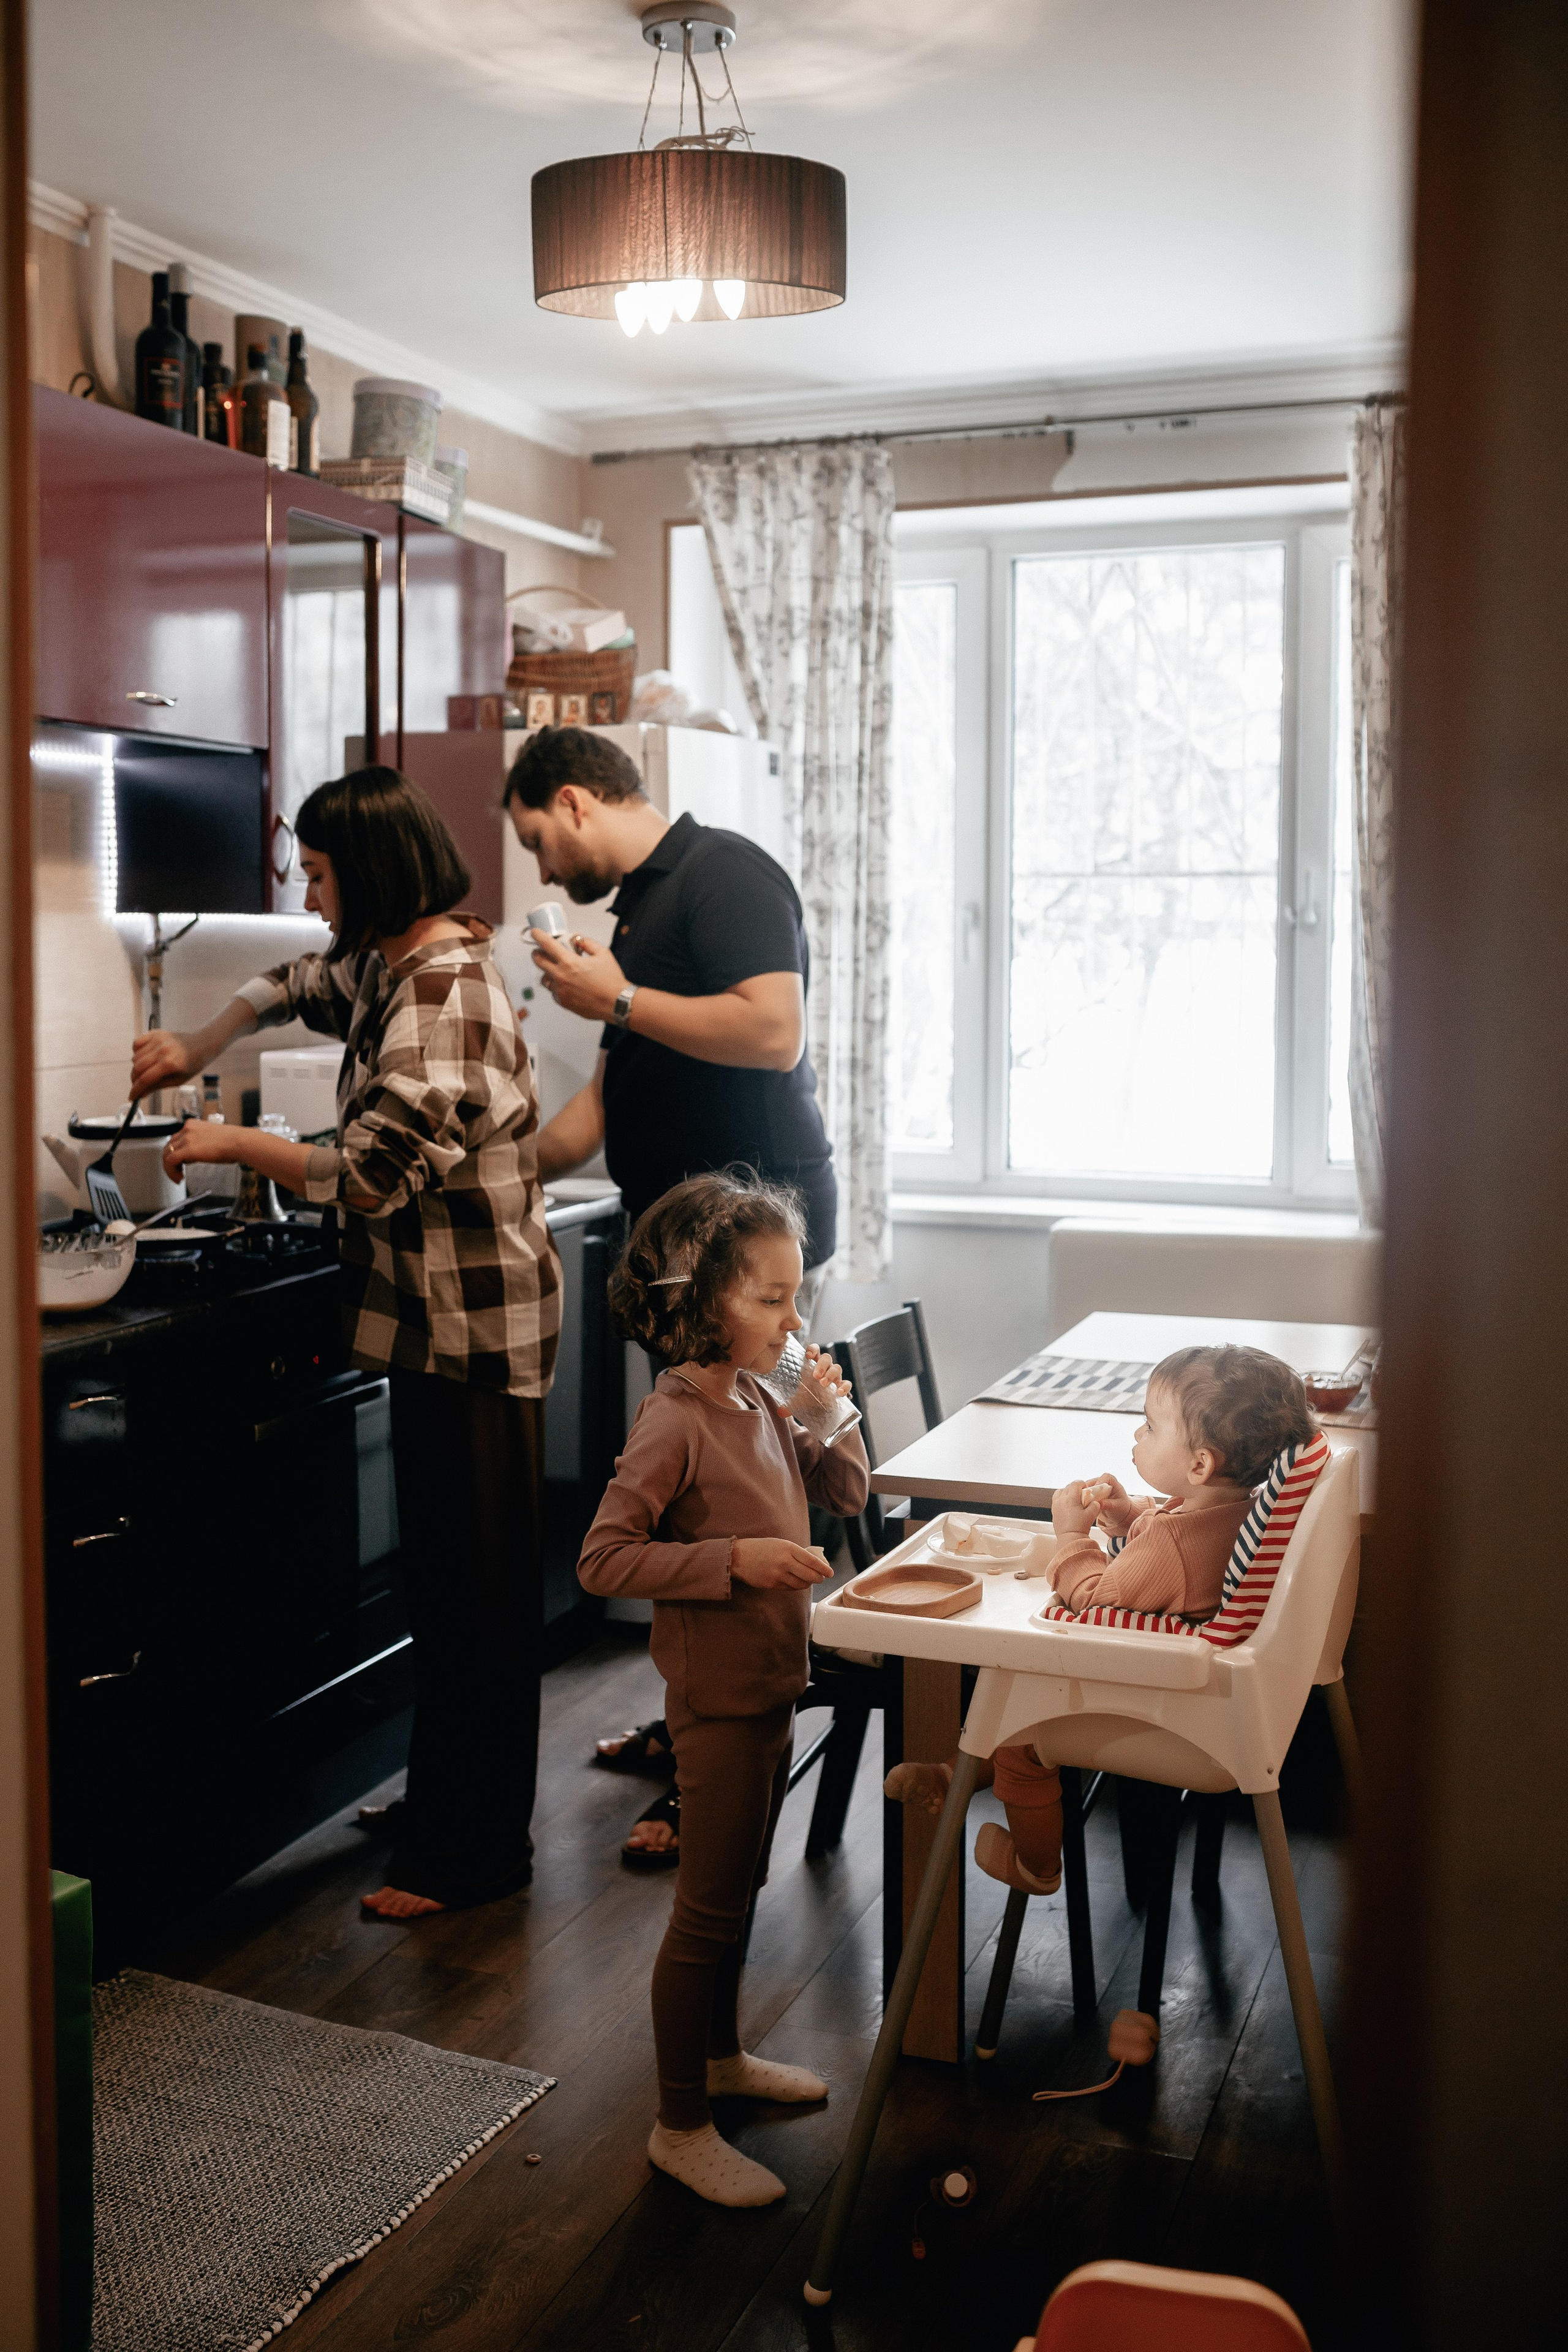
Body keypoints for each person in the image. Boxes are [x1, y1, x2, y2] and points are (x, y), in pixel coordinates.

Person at [130, 766, 560, 1921]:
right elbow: (292, 980)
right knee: (452, 1592)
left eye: (318, 873)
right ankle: (445, 1809)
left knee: (478, 1607)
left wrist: (229, 1141)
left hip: (471, 1329)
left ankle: (474, 1856)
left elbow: (365, 1176)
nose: (307, 892)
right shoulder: (390, 963)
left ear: (366, 870)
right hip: (433, 1325)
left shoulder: (443, 993)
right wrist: (197, 1038)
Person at [505, 725, 840, 1860]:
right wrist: (506, 1165)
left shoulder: (725, 872)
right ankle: (693, 1721)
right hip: (688, 1272)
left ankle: (724, 1768)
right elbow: (605, 1104)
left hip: (750, 1269)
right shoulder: (641, 915)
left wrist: (623, 997)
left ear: (576, 799)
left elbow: (773, 1029)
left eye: (538, 839)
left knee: (746, 1497)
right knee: (711, 1495)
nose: (543, 868)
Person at [576, 1173, 869, 2207]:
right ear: (703, 1306)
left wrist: (828, 1411)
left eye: (799, 1297)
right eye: (773, 1301)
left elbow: (848, 1494)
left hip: (774, 1680)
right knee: (704, 1914)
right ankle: (678, 2121)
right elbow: (603, 1561)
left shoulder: (754, 1393)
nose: (797, 1320)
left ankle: (720, 2058)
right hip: (718, 1697)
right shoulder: (675, 1421)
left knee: (739, 1892)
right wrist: (735, 1560)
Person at [886, 1346, 1316, 1896]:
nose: (1137, 1436)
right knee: (1017, 1704)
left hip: (1158, 1705)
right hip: (1195, 1691)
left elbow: (1094, 1602)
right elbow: (1167, 1551)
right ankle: (954, 1774)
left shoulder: (1172, 1549)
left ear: (1200, 1465)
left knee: (1023, 1730)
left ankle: (1037, 1866)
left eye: (1150, 1427)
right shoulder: (1226, 1512)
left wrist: (1071, 1537)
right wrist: (1131, 1516)